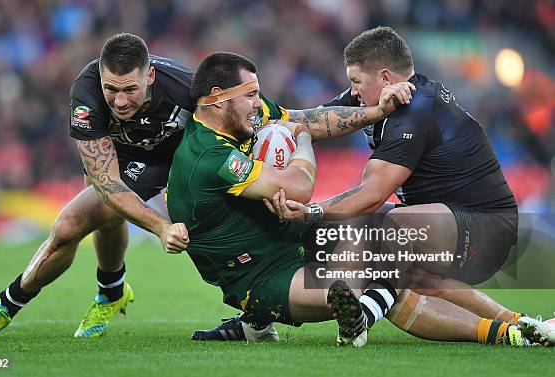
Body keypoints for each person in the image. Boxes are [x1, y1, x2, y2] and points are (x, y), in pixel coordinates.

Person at [0, 33, 411, 341]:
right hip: (124, 165)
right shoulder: (86, 94)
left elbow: (299, 118)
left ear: (150, 76)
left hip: (183, 164)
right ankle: (15, 303)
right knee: (76, 220)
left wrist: (376, 112)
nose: (119, 100)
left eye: (129, 90)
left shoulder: (186, 88)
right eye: (111, 89)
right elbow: (108, 181)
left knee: (239, 220)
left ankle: (258, 307)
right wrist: (158, 226)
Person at [167, 51, 551, 348]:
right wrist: (300, 138)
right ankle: (270, 317)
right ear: (218, 100)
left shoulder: (243, 115)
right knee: (385, 274)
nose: (259, 103)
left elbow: (311, 117)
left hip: (288, 239)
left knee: (394, 249)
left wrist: (375, 110)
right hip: (261, 274)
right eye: (250, 95)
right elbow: (299, 184)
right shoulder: (209, 156)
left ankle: (516, 325)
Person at [268, 26, 552, 345]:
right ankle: (514, 329)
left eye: (356, 82)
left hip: (487, 228)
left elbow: (371, 195)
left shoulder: (415, 112)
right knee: (406, 271)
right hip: (436, 225)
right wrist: (261, 116)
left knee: (389, 225)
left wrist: (311, 213)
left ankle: (361, 312)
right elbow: (317, 120)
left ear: (386, 78)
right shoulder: (378, 98)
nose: (353, 92)